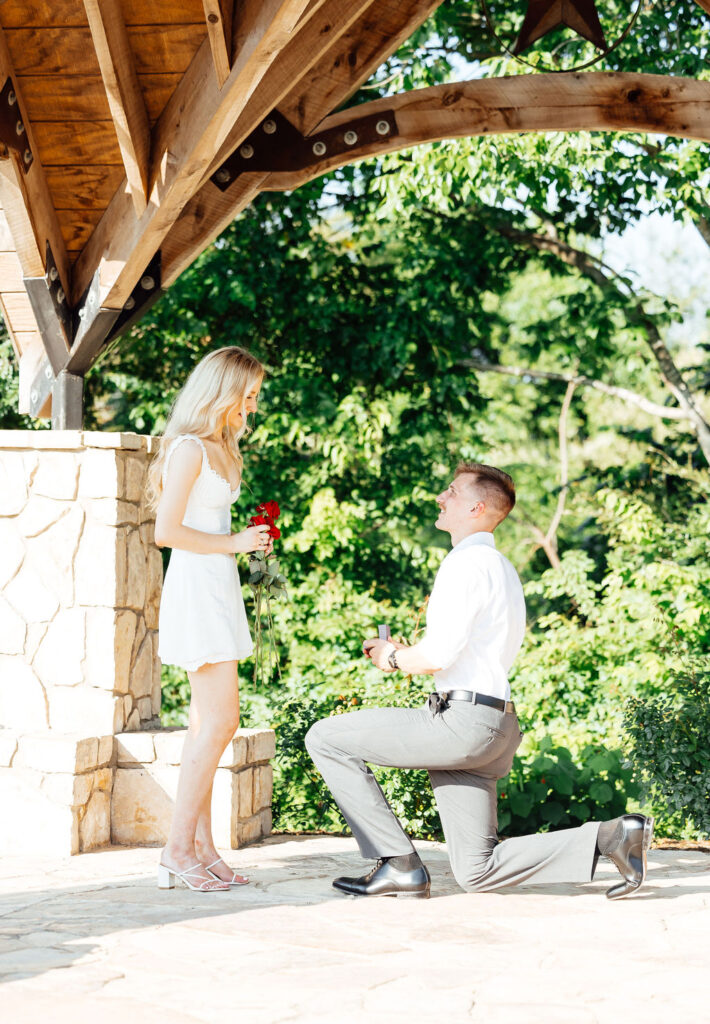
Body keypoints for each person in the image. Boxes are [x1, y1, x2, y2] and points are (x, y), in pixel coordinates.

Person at [306, 463, 653, 900]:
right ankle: (612, 837)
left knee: (325, 738)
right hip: (494, 724)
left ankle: (398, 864)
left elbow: (438, 653)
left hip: (463, 724)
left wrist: (392, 657)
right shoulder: (501, 567)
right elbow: (462, 651)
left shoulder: (465, 563)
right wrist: (412, 654)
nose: (441, 497)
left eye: (450, 492)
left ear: (475, 506)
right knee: (476, 871)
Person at [149, 346, 272, 893]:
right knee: (222, 721)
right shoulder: (189, 450)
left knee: (205, 723)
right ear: (220, 392)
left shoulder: (227, 449)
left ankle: (203, 847)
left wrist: (245, 547)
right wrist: (233, 542)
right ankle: (176, 850)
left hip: (219, 588)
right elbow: (165, 533)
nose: (251, 405)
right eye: (246, 395)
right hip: (196, 590)